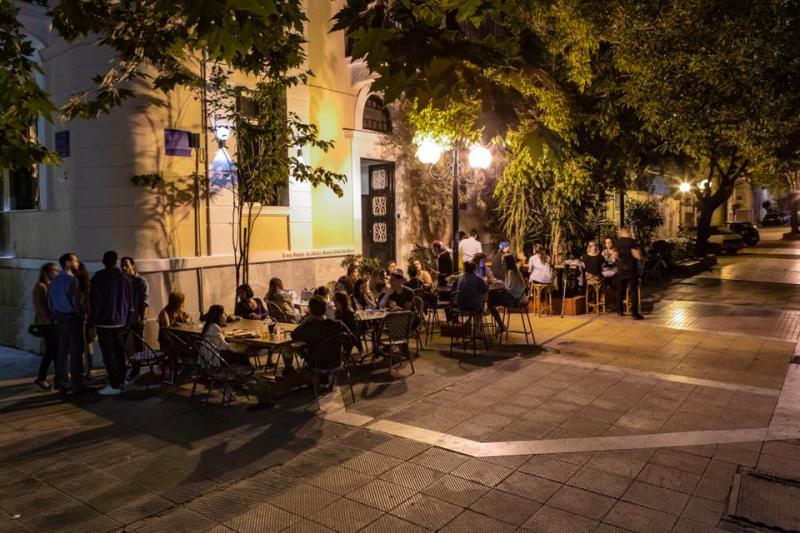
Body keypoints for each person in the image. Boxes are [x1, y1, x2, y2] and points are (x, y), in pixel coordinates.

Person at [90, 251, 133, 396]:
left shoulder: (98, 278)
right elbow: (129, 301)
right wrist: (127, 319)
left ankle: (114, 384)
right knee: (119, 351)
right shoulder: (124, 278)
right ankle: (122, 379)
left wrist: (92, 319)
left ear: (103, 261)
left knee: (108, 354)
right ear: (116, 261)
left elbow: (95, 301)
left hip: (104, 321)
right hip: (120, 320)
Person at [48, 253, 87, 394]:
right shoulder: (72, 280)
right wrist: (82, 315)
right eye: (75, 260)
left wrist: (56, 314)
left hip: (60, 319)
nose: (78, 263)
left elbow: (50, 302)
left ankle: (62, 383)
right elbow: (75, 303)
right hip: (72, 319)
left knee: (62, 353)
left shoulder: (54, 280)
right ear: (68, 263)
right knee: (76, 353)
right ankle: (77, 385)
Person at [292, 296, 355, 371]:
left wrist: (306, 320)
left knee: (299, 347)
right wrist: (346, 353)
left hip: (315, 363)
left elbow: (294, 335)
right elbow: (353, 339)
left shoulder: (307, 327)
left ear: (310, 311)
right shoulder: (338, 325)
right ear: (325, 310)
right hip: (336, 362)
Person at [32, 262, 60, 391]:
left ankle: (56, 377)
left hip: (50, 322)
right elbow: (40, 307)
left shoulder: (49, 285)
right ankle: (42, 378)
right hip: (47, 324)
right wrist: (51, 317)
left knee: (54, 351)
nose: (56, 273)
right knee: (51, 351)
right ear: (47, 272)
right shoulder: (40, 286)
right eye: (54, 270)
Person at [121, 257, 149, 382]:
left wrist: (143, 318)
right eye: (122, 266)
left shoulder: (140, 281)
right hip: (124, 319)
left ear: (132, 265)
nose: (124, 268)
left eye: (126, 265)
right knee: (120, 344)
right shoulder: (122, 281)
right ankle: (124, 367)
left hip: (136, 318)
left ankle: (136, 369)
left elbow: (145, 301)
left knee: (138, 346)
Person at [616, 227, 644, 320]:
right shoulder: (632, 241)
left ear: (621, 232)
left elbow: (615, 255)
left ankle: (620, 310)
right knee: (633, 291)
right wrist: (640, 257)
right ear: (628, 232)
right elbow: (636, 254)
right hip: (631, 269)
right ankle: (634, 314)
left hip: (621, 269)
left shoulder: (618, 242)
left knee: (621, 290)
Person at [76, 262, 95, 380]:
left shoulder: (80, 285)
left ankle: (85, 370)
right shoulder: (88, 285)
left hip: (83, 318)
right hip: (88, 318)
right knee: (88, 345)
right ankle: (88, 371)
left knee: (84, 345)